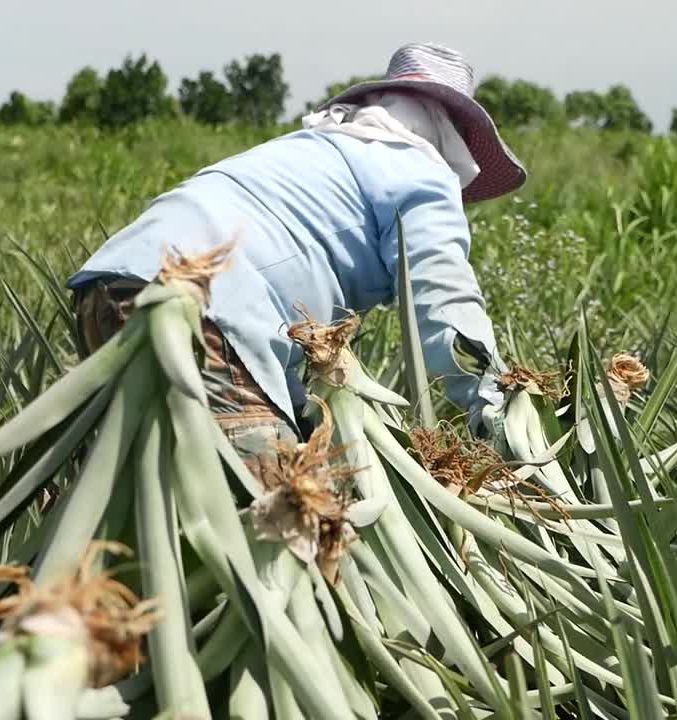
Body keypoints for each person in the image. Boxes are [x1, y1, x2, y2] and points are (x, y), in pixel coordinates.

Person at [66, 42, 524, 478]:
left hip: (109, 288)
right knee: (282, 521)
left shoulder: (312, 149)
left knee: (138, 510)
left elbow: (276, 305)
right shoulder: (420, 172)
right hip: (202, 310)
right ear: (455, 134)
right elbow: (445, 307)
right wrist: (503, 424)